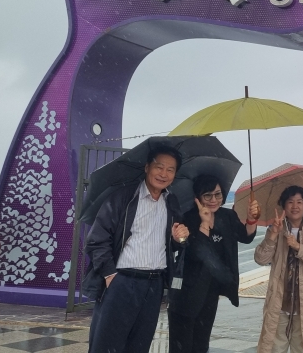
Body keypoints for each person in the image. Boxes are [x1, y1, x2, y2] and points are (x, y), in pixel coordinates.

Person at [84, 145, 190, 353]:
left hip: (154, 285)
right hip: (122, 281)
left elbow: (174, 242)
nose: (164, 174)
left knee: (139, 345)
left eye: (170, 170)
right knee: (107, 345)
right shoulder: (123, 197)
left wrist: (179, 238)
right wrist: (110, 275)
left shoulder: (171, 202)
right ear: (147, 167)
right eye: (159, 167)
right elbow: (97, 239)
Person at [168, 174, 260, 352]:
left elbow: (246, 237)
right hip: (186, 290)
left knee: (201, 343)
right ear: (197, 198)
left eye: (218, 194)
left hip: (211, 290)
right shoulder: (188, 218)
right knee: (181, 345)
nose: (213, 200)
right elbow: (194, 252)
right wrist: (204, 223)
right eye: (207, 195)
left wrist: (251, 219)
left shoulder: (227, 216)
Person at [254, 186, 303, 353]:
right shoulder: (276, 228)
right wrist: (273, 235)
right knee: (274, 346)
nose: (295, 206)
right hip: (280, 301)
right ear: (283, 205)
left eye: (299, 202)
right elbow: (261, 259)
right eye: (290, 202)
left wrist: (298, 246)